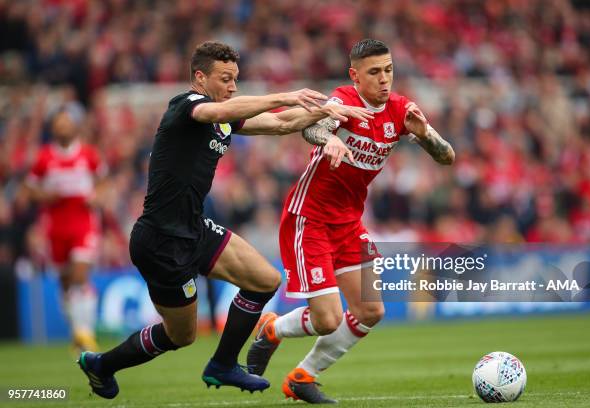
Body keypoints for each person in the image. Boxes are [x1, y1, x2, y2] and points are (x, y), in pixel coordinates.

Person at [76, 41, 373, 399]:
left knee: (264, 280)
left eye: (236, 79)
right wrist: (287, 94)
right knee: (180, 335)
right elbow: (218, 113)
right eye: (225, 79)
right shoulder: (186, 105)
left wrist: (331, 111)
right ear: (200, 78)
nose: (232, 86)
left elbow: (281, 124)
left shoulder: (226, 116)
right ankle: (102, 365)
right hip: (160, 240)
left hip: (195, 228)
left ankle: (223, 364)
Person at [247, 39, 455, 403]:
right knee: (326, 319)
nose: (384, 79)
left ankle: (302, 376)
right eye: (374, 72)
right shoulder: (343, 100)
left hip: (348, 223)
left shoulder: (401, 110)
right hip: (309, 218)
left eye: (388, 70)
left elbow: (447, 156)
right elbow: (311, 129)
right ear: (355, 76)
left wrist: (424, 135)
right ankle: (272, 328)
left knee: (371, 310)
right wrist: (329, 139)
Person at [25, 103, 105, 353]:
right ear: (53, 128)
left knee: (80, 276)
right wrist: (44, 195)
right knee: (65, 282)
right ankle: (77, 332)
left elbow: (104, 183)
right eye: (59, 124)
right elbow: (29, 189)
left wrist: (97, 196)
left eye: (67, 123)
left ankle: (86, 333)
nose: (63, 127)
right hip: (55, 227)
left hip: (83, 223)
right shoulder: (44, 157)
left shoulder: (88, 154)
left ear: (75, 126)